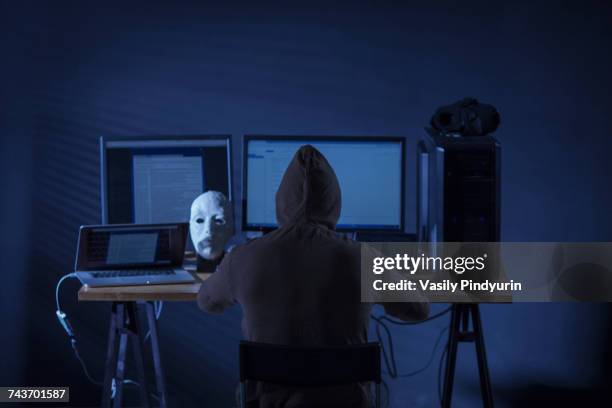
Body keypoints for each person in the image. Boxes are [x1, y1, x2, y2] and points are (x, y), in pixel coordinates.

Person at [197, 145, 429, 407]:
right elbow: (418, 310)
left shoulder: (242, 257)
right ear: (333, 201)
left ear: (280, 201)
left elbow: (206, 302)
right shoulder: (365, 258)